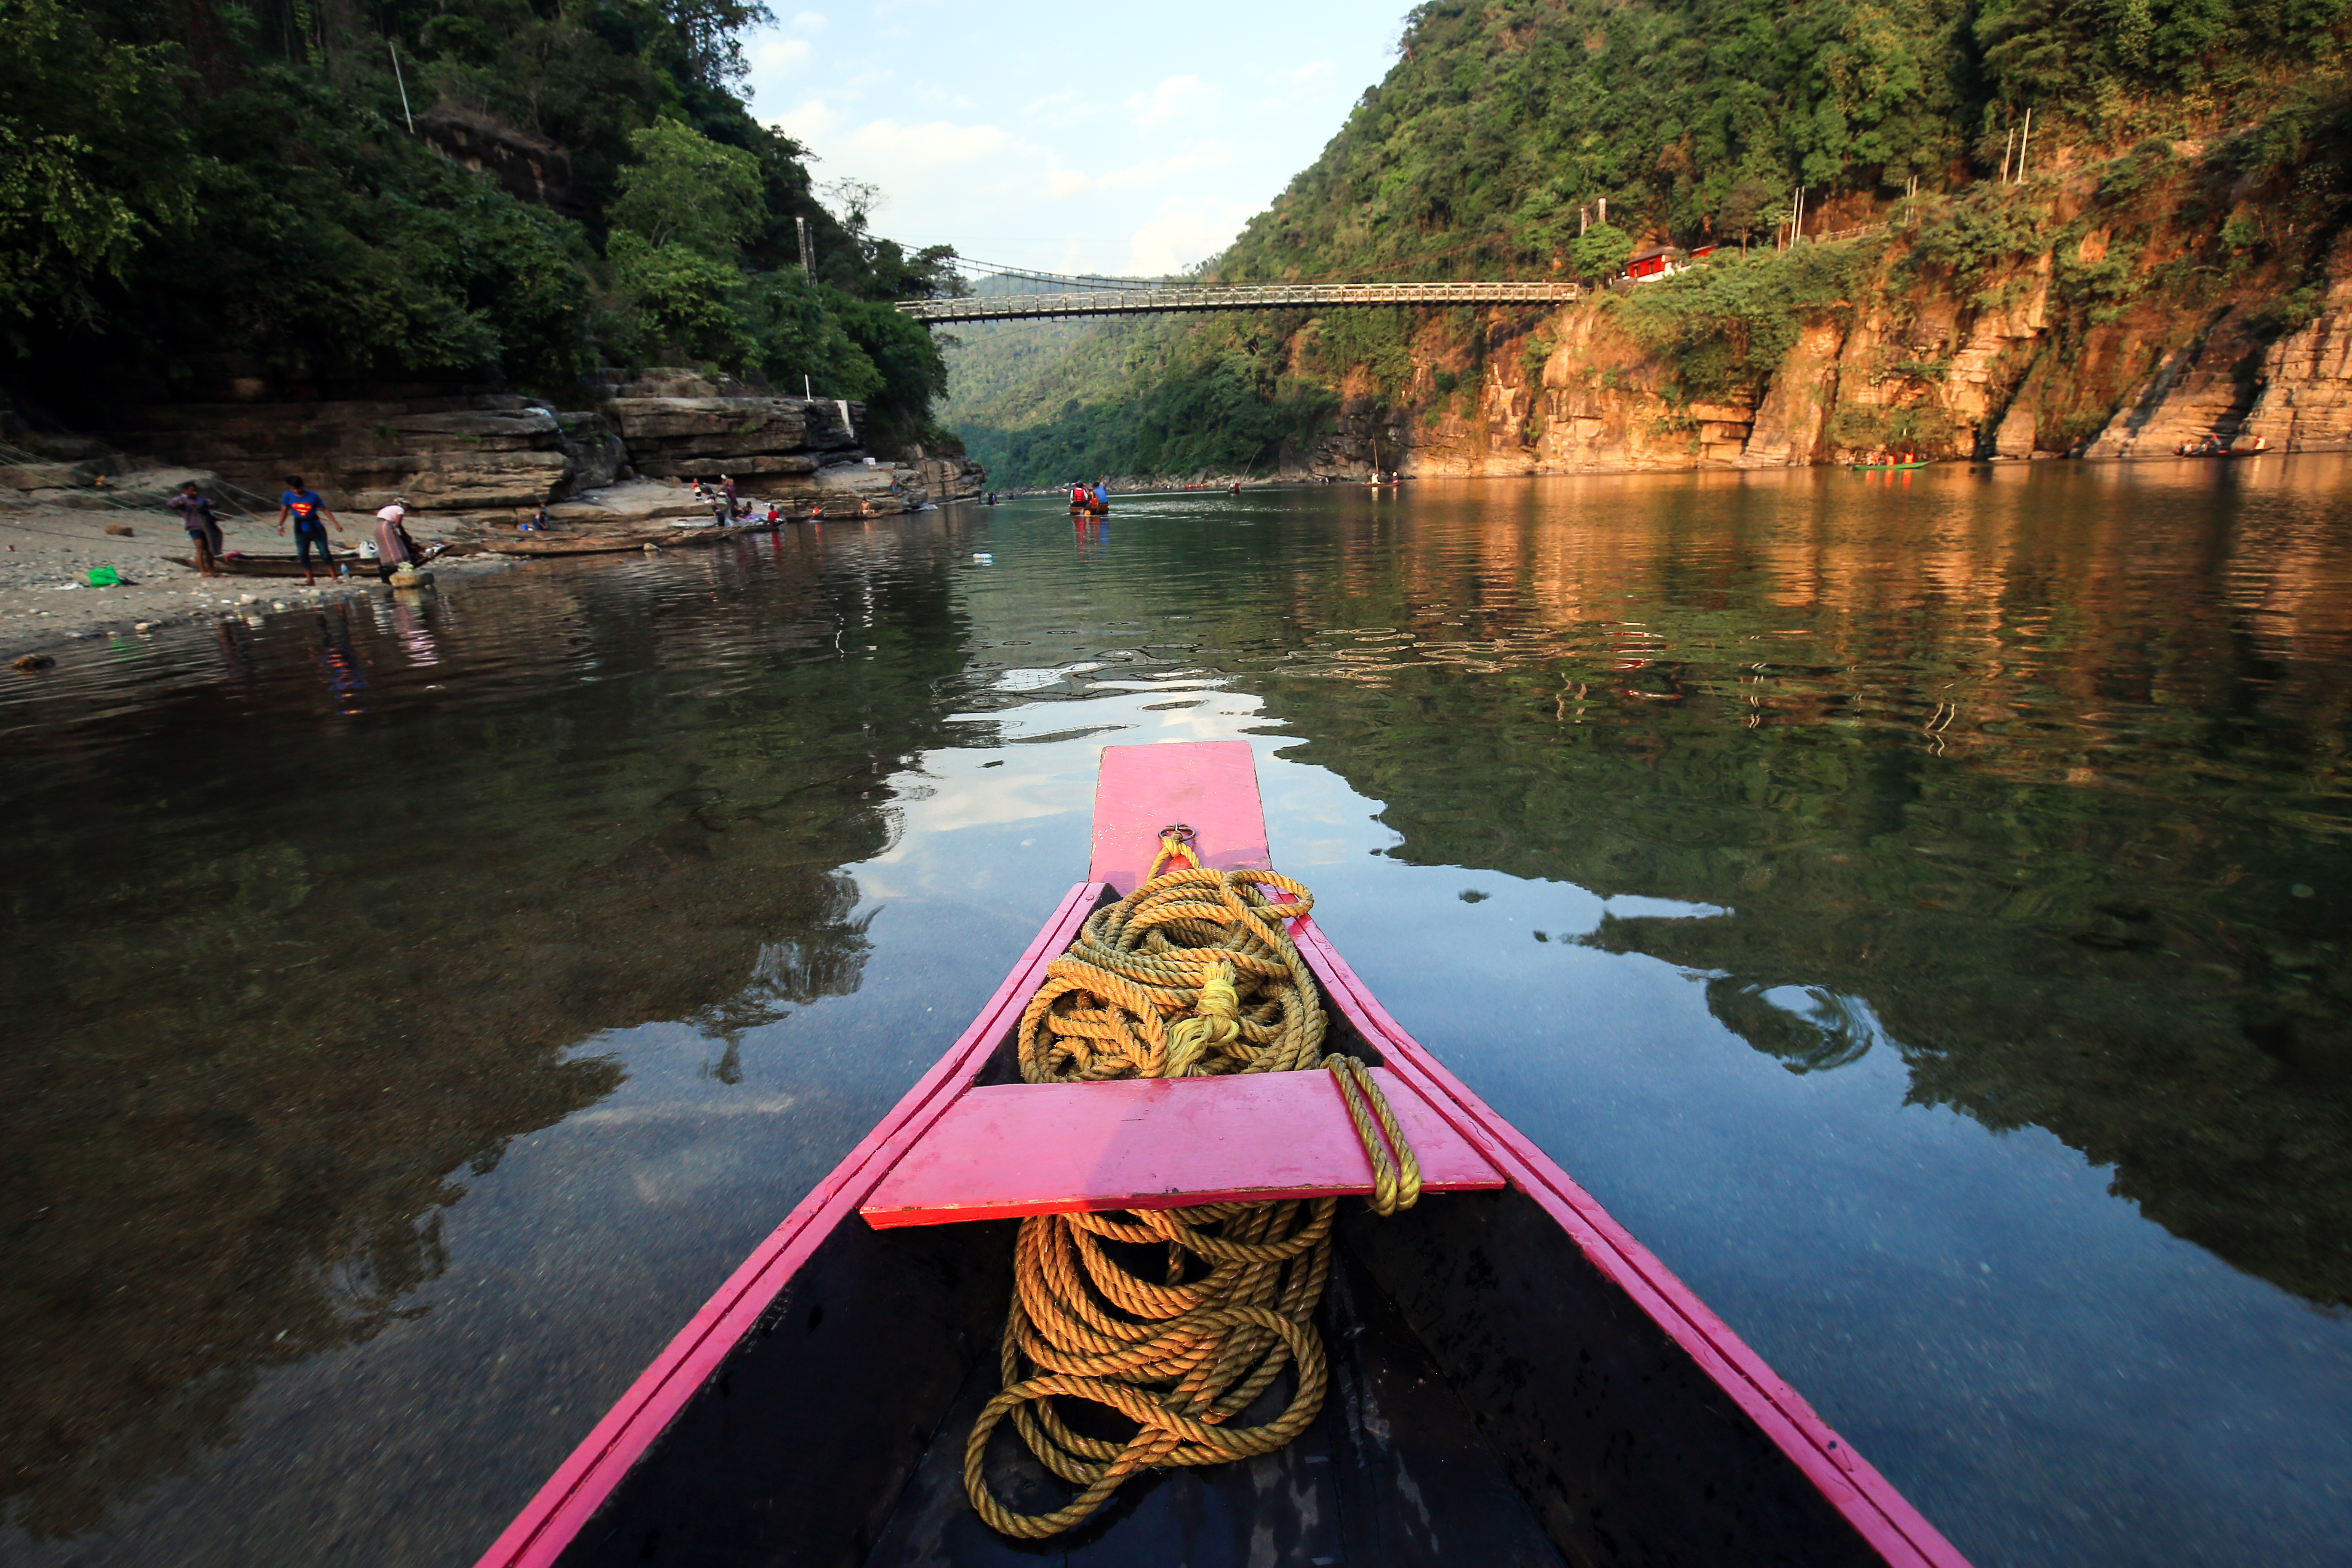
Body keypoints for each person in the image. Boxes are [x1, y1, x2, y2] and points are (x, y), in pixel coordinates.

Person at [276, 475, 344, 585]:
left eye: (298, 489)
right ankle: (310, 579)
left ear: (303, 486)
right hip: (300, 528)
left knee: (324, 552)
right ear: (290, 488)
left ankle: (334, 577)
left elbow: (324, 509)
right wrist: (280, 526)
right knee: (303, 554)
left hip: (316, 527)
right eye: (294, 489)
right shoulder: (287, 497)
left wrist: (335, 523)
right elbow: (284, 511)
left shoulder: (314, 496)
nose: (297, 491)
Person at [168, 481, 225, 576]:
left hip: (206, 526)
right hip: (194, 527)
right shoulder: (180, 499)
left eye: (196, 491)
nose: (195, 493)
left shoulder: (201, 500)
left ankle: (212, 570)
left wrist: (209, 505)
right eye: (192, 491)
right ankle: (203, 572)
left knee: (209, 549)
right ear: (185, 490)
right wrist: (185, 503)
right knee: (200, 549)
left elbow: (213, 504)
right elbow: (171, 504)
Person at [373, 497, 415, 582]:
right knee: (394, 546)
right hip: (385, 527)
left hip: (377, 526)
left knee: (385, 547)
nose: (408, 509)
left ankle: (387, 564)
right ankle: (399, 564)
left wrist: (403, 534)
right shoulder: (400, 510)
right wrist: (405, 535)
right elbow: (398, 524)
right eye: (408, 507)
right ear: (404, 505)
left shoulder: (390, 508)